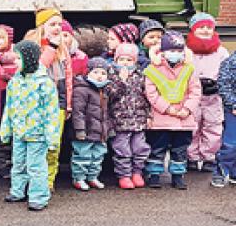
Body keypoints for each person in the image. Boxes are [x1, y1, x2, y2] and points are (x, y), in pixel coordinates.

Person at [0, 40, 60, 211]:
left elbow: (51, 113)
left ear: (29, 59)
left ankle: (39, 196)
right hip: (19, 132)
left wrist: (52, 137)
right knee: (18, 162)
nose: (15, 62)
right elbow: (9, 108)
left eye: (18, 58)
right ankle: (17, 191)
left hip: (37, 135)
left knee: (36, 166)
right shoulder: (14, 82)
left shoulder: (44, 83)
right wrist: (6, 129)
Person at [144, 31, 202, 189]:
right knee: (157, 148)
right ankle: (154, 175)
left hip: (184, 118)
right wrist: (167, 108)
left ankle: (178, 175)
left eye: (178, 51)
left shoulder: (189, 69)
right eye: (171, 51)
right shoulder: (152, 69)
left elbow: (195, 91)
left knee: (180, 149)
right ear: (163, 51)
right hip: (161, 118)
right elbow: (151, 93)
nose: (175, 54)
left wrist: (188, 109)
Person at [28, 8, 71, 190]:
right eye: (52, 24)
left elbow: (68, 78)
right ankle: (35, 179)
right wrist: (51, 47)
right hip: (38, 104)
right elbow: (38, 68)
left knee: (54, 145)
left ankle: (48, 181)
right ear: (41, 26)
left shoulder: (63, 49)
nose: (57, 28)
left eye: (59, 24)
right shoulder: (33, 46)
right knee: (37, 144)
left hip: (58, 103)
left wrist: (68, 104)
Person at [185, 13, 229, 174]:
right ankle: (191, 156)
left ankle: (209, 157)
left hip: (213, 95)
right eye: (201, 27)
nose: (205, 30)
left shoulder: (221, 51)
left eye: (208, 28)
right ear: (193, 30)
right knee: (192, 126)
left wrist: (218, 84)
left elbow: (226, 70)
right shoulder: (187, 50)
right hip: (192, 95)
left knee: (213, 126)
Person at [106, 43, 151, 190]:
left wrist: (149, 116)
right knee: (122, 150)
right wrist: (122, 81)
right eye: (122, 59)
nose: (125, 63)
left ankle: (137, 172)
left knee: (140, 148)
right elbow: (111, 95)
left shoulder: (140, 76)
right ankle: (124, 175)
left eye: (129, 60)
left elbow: (147, 98)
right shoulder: (111, 75)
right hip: (120, 121)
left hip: (138, 120)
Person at [70, 58, 112, 191]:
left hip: (100, 132)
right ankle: (79, 178)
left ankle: (93, 176)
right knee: (82, 155)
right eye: (96, 72)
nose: (100, 76)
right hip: (86, 131)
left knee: (98, 156)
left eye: (103, 73)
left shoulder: (105, 90)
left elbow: (106, 112)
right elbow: (78, 112)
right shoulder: (82, 89)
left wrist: (108, 129)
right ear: (88, 73)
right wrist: (80, 129)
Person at [0, 24, 18, 177]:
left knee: (6, 135)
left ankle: (4, 164)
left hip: (7, 101)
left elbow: (14, 78)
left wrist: (2, 72)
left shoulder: (14, 59)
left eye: (1, 37)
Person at [215, 52, 236, 186]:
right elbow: (224, 83)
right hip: (233, 111)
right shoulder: (231, 62)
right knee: (231, 144)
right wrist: (233, 103)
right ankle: (221, 171)